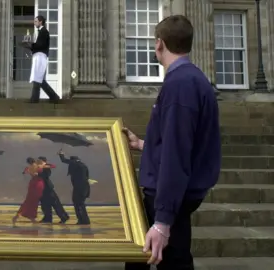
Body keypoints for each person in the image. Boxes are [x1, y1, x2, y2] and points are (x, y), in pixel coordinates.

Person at [123, 15, 221, 270]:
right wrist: (144, 145)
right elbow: (180, 143)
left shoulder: (181, 84)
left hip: (167, 197)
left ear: (159, 44)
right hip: (173, 193)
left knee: (171, 262)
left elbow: (176, 154)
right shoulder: (191, 79)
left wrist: (163, 221)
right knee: (139, 259)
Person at [24, 15, 60, 103]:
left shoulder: (44, 32)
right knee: (39, 78)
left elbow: (41, 45)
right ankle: (53, 96)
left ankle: (35, 99)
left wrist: (31, 45)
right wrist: (30, 46)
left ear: (40, 22)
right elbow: (38, 45)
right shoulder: (41, 32)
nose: (34, 23)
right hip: (38, 56)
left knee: (37, 78)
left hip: (40, 56)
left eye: (36, 21)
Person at [12, 157, 50, 225]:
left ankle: (20, 215)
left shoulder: (28, 167)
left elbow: (24, 172)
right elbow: (51, 166)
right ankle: (31, 217)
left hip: (32, 183)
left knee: (29, 201)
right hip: (38, 183)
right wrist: (44, 164)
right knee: (34, 202)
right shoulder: (38, 166)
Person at [57, 152, 91, 225]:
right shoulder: (83, 165)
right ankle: (85, 220)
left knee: (77, 204)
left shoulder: (75, 164)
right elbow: (87, 177)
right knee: (81, 204)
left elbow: (64, 160)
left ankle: (82, 220)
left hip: (79, 188)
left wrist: (61, 154)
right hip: (85, 188)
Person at [37, 156, 69, 224]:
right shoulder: (38, 167)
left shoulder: (46, 167)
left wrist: (39, 172)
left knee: (55, 203)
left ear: (44, 161)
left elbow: (47, 175)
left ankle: (64, 217)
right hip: (41, 188)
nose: (38, 162)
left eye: (40, 161)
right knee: (45, 204)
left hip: (48, 188)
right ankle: (47, 218)